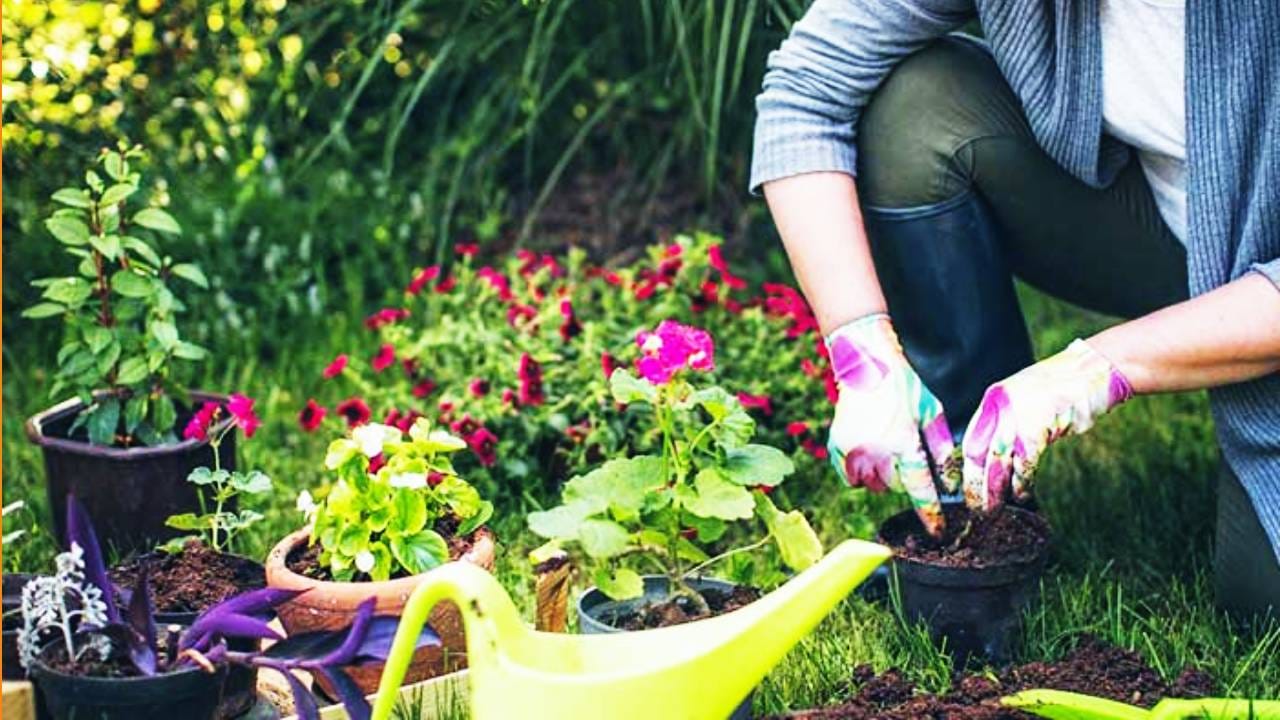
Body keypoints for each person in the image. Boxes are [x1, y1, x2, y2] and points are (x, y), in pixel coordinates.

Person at [750, 0, 1280, 618]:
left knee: (1260, 603)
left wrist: (1097, 367)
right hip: (1166, 233)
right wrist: (860, 349)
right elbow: (805, 87)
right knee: (917, 110)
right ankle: (975, 511)